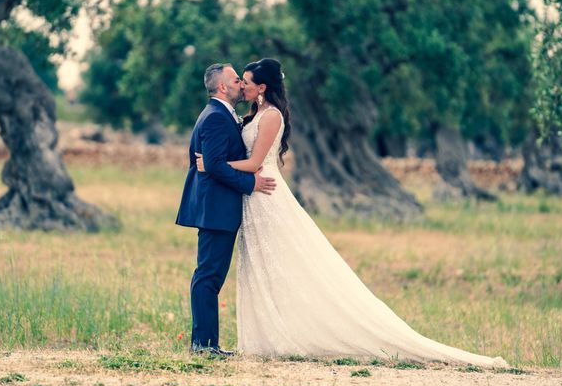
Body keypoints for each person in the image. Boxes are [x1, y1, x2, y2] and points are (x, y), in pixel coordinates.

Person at [195, 58, 508, 367]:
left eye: (245, 81)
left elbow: (254, 163)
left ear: (262, 87)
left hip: (264, 193)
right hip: (252, 198)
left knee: (287, 264)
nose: (242, 85)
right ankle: (264, 335)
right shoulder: (250, 115)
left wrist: (212, 164)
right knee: (261, 268)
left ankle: (291, 333)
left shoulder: (271, 116)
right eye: (238, 81)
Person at [176, 63, 276, 356]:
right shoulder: (216, 118)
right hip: (216, 209)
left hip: (218, 207)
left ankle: (205, 343)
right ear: (223, 87)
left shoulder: (222, 115)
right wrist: (251, 183)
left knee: (210, 275)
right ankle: (204, 345)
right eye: (236, 80)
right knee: (209, 275)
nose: (240, 84)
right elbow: (215, 167)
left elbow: (214, 163)